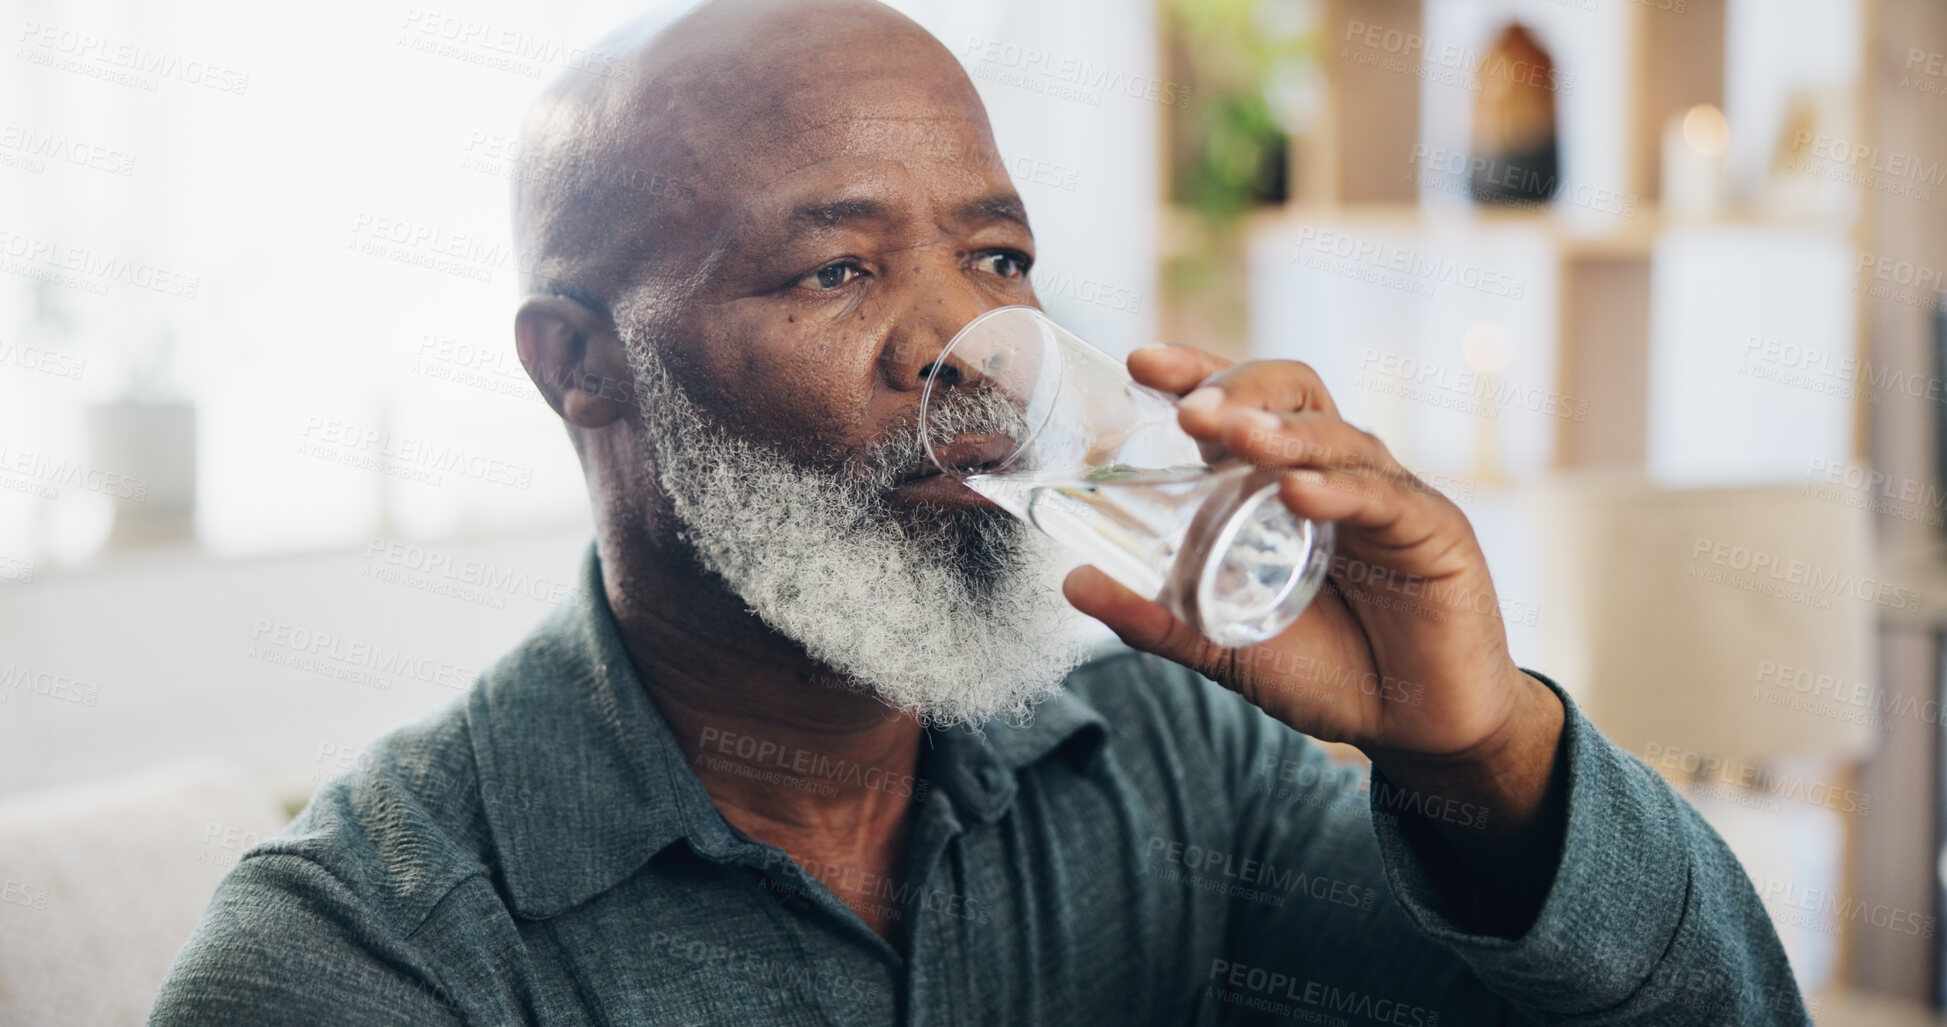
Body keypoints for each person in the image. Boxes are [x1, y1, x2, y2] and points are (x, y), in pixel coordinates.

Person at [151, 1, 1807, 1023]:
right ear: (580, 367)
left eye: (998, 259)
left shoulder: (1165, 754)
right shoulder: (369, 958)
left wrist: (1484, 757)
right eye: (838, 266)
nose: (971, 354)